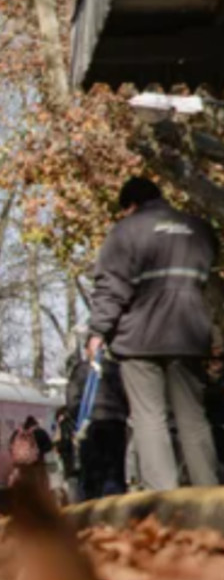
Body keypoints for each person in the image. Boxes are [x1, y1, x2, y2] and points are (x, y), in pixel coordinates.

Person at [87, 176, 219, 491]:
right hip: (189, 337)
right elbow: (211, 288)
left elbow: (111, 287)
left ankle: (164, 497)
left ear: (130, 206)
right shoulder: (200, 230)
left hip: (139, 340)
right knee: (193, 417)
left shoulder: (126, 232)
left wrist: (97, 332)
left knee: (149, 418)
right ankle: (210, 492)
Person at [65, 323, 129, 500]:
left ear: (87, 350)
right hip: (115, 423)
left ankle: (93, 508)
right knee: (115, 470)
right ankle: (115, 505)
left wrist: (77, 421)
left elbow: (72, 399)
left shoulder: (80, 370)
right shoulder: (117, 370)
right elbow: (126, 396)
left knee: (92, 471)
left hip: (90, 424)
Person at [9, 416, 53, 497]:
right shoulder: (40, 432)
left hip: (20, 464)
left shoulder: (17, 433)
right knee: (38, 486)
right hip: (36, 464)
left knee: (21, 484)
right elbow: (49, 447)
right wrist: (39, 452)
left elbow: (11, 445)